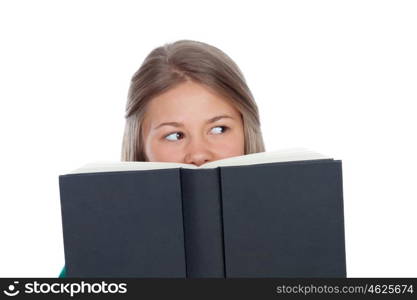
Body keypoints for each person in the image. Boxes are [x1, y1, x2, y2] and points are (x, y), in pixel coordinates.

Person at [59, 39, 265, 277]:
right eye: (174, 135)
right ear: (141, 147)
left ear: (246, 131)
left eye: (219, 129)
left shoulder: (294, 230)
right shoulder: (96, 256)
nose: (198, 154)